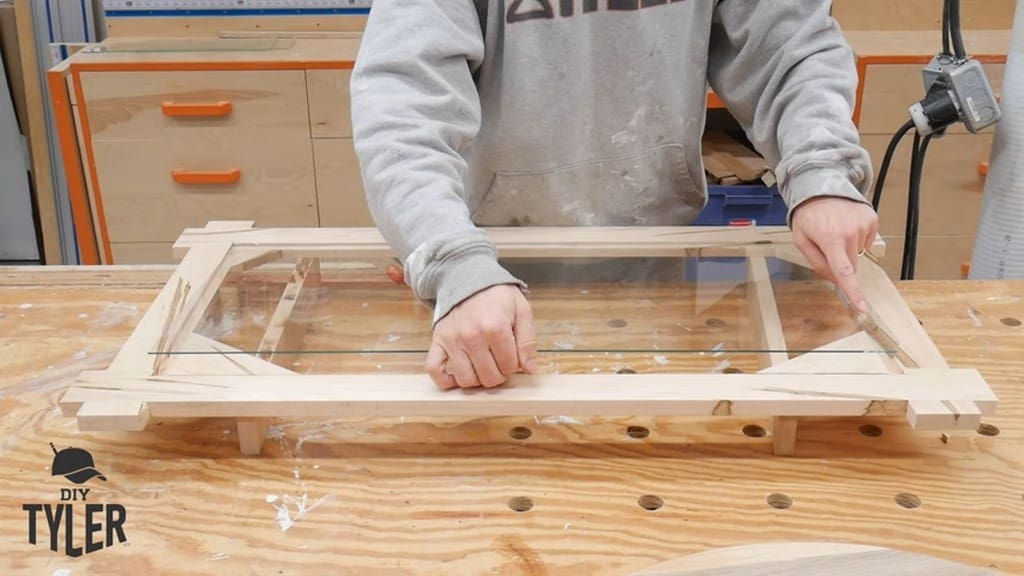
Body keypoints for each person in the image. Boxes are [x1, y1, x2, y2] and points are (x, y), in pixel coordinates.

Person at [350, 0, 879, 391]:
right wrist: (453, 264)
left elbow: (789, 48)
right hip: (487, 291)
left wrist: (821, 169)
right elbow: (403, 108)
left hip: (654, 268)